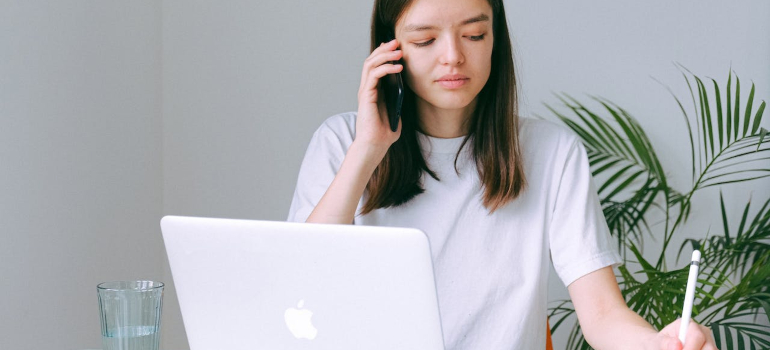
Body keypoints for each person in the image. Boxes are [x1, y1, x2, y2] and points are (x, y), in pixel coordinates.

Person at [287, 0, 719, 349]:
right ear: (389, 51)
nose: (453, 56)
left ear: (496, 39)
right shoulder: (341, 143)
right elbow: (302, 283)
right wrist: (368, 149)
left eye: (474, 34)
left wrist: (656, 344)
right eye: (425, 40)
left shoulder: (552, 154)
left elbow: (603, 315)